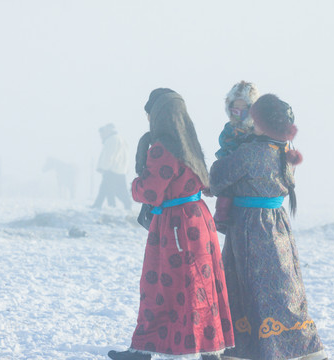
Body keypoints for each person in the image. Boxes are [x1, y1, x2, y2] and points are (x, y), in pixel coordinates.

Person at [108, 89, 234, 360]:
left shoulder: (162, 148)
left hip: (175, 226)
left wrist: (135, 184)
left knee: (160, 289)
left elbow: (150, 192)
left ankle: (144, 349)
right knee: (201, 286)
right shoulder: (190, 144)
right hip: (199, 221)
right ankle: (210, 350)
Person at [209, 94, 327, 360]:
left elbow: (217, 178)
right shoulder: (286, 151)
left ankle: (247, 349)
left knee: (249, 285)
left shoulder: (250, 152)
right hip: (277, 223)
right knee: (283, 285)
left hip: (251, 226)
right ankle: (303, 346)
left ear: (262, 122)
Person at [213, 81, 260, 234]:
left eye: (243, 108)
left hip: (248, 176)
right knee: (225, 191)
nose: (239, 111)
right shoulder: (229, 128)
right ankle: (221, 216)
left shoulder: (257, 130)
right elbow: (224, 144)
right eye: (236, 108)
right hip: (228, 163)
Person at [92, 123, 132, 210]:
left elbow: (109, 156)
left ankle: (99, 205)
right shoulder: (122, 139)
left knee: (106, 189)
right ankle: (112, 205)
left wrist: (103, 167)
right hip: (121, 170)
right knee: (112, 189)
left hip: (112, 170)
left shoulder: (111, 140)